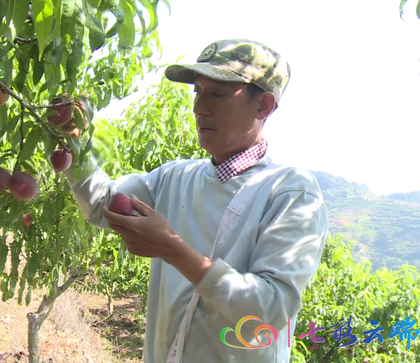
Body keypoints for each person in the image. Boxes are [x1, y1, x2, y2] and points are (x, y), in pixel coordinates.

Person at [63, 39, 329, 362]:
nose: (199, 107)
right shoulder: (174, 178)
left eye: (216, 94)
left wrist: (172, 249)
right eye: (198, 92)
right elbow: (103, 204)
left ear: (263, 106)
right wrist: (74, 148)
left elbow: (270, 310)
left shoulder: (291, 193)